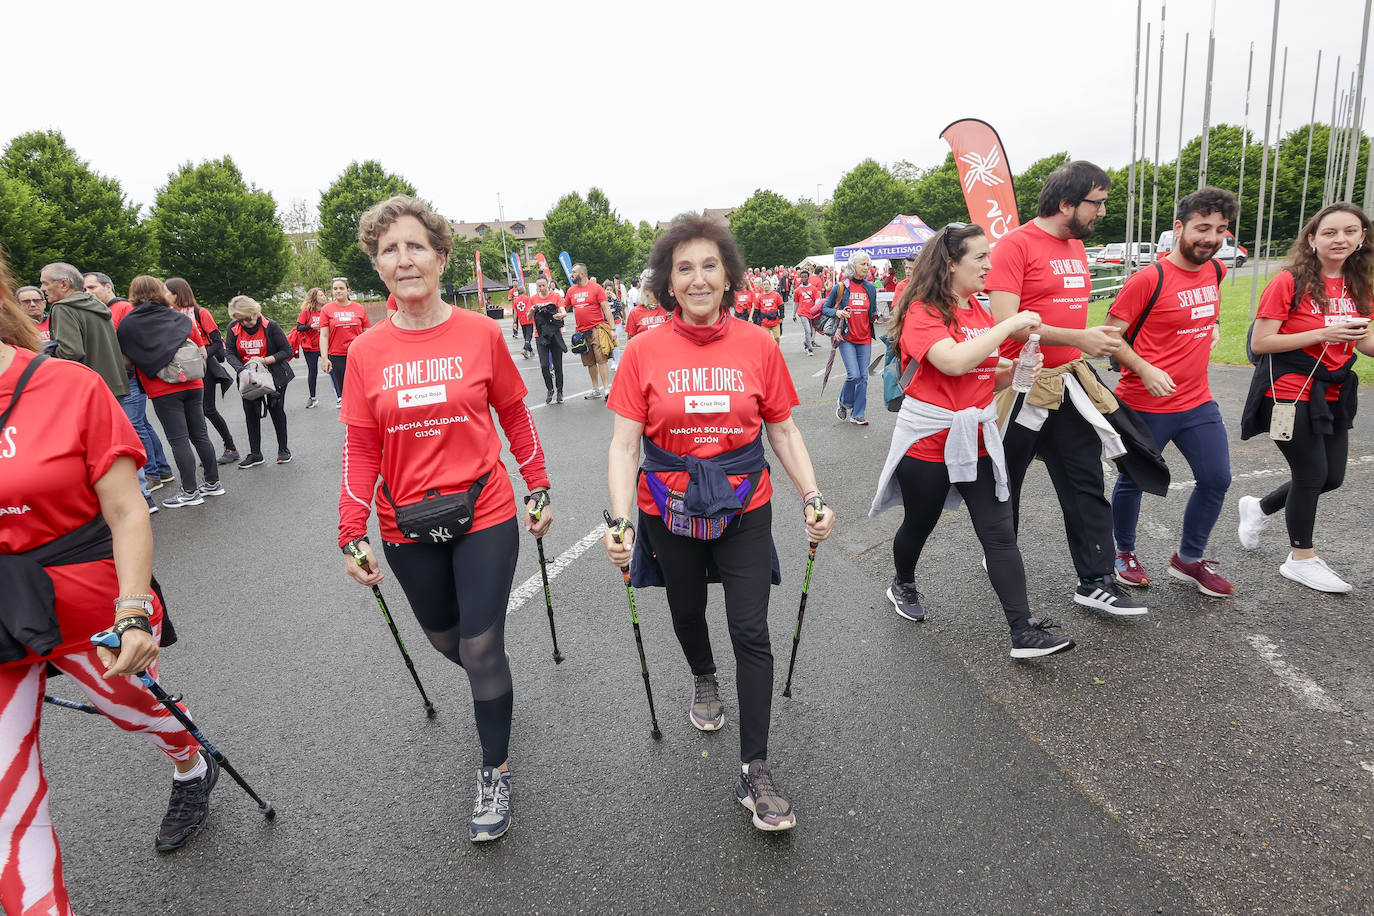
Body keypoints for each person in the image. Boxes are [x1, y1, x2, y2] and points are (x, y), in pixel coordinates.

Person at [0, 262, 219, 916]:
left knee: (135, 709)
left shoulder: (66, 386)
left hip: (82, 588)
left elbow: (127, 512)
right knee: (8, 795)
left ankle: (191, 762)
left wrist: (133, 612)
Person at [604, 214, 835, 833]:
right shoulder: (642, 350)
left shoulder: (758, 346)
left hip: (744, 506)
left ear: (729, 275)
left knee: (751, 629)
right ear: (667, 283)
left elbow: (782, 428)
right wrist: (619, 521)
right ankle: (704, 677)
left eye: (710, 265)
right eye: (685, 268)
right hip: (667, 507)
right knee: (685, 613)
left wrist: (812, 496)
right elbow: (626, 446)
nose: (699, 277)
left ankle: (754, 770)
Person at [338, 195, 552, 842]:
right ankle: (497, 688)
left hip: (483, 509)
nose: (403, 260)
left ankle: (495, 768)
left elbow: (514, 414)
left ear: (439, 255)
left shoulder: (481, 333)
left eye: (414, 246)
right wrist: (351, 530)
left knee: (482, 643)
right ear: (378, 266)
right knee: (445, 641)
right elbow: (361, 448)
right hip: (405, 522)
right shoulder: (366, 352)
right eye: (388, 250)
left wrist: (536, 485)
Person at [869, 223, 1071, 657]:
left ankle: (1023, 630)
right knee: (919, 525)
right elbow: (953, 362)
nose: (989, 265)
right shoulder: (923, 310)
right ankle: (902, 581)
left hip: (977, 440)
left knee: (999, 535)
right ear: (950, 263)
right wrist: (1012, 324)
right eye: (980, 257)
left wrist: (1011, 375)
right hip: (928, 445)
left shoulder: (978, 310)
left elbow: (981, 374)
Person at [987, 160, 1147, 617]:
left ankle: (1096, 580)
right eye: (1096, 203)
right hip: (1022, 388)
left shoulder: (1076, 245)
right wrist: (1079, 337)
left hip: (1070, 384)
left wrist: (1081, 343)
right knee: (1005, 483)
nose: (1101, 213)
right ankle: (999, 551)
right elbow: (1006, 325)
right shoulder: (1015, 246)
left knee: (1084, 482)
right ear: (1066, 203)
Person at [1107, 187, 1237, 597]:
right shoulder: (1149, 278)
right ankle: (1123, 553)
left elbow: (1202, 315)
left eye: (1220, 229)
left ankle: (1189, 559)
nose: (1211, 237)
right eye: (1202, 227)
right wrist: (1144, 368)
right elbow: (1110, 337)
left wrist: (1211, 329)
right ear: (1179, 228)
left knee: (1216, 478)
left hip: (1197, 400)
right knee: (1133, 480)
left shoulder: (1216, 271)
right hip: (1144, 403)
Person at [1237, 202, 1373, 593]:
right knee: (1310, 475)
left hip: (1332, 393)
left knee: (1331, 478)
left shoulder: (1360, 285)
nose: (1341, 239)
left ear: (1362, 237)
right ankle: (1301, 558)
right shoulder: (1289, 281)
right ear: (1312, 239)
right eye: (1330, 232)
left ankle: (1259, 508)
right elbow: (1262, 342)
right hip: (1287, 393)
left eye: (1350, 231)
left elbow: (1366, 343)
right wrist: (1322, 335)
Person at [116, 276, 224, 508]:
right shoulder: (179, 317)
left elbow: (126, 361)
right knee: (200, 434)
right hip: (194, 382)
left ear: (133, 293)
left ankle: (189, 491)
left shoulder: (128, 323)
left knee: (178, 439)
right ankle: (213, 483)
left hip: (162, 386)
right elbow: (202, 350)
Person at [166, 277, 240, 466]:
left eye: (167, 292)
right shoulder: (167, 315)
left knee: (207, 409)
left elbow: (217, 342)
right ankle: (205, 454)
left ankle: (230, 447)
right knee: (191, 414)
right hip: (178, 369)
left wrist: (201, 356)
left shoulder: (200, 313)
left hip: (203, 366)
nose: (163, 295)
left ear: (177, 293)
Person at [39, 261, 128, 396]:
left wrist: (45, 351)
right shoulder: (95, 304)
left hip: (90, 390)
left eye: (45, 283)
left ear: (64, 284)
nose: (42, 289)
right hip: (114, 385)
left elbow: (71, 352)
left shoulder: (63, 308)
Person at [225, 296, 294, 467]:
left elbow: (287, 350)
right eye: (240, 320)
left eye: (248, 318)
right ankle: (255, 454)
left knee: (276, 411)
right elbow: (230, 353)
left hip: (273, 375)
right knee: (251, 414)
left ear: (255, 312)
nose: (245, 323)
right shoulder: (233, 328)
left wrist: (264, 360)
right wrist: (241, 369)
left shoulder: (271, 326)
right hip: (248, 377)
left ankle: (283, 449)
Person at [822, 252, 878, 426]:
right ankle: (844, 402)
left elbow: (872, 311)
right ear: (853, 266)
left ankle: (858, 414)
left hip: (865, 338)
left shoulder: (870, 288)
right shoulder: (841, 287)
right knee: (854, 375)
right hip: (846, 337)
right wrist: (837, 312)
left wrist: (877, 315)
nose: (866, 267)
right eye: (863, 264)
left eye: (867, 265)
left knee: (864, 377)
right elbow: (825, 308)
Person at [320, 277, 371, 408]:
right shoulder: (327, 309)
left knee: (362, 390)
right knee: (345, 393)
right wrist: (324, 358)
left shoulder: (359, 308)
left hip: (358, 355)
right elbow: (324, 336)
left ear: (348, 290)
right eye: (335, 289)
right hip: (337, 356)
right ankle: (351, 422)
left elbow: (367, 334)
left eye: (341, 288)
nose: (338, 291)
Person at [566, 262, 615, 398]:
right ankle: (595, 389)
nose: (572, 274)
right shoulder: (571, 291)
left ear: (582, 274)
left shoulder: (596, 288)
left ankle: (606, 389)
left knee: (602, 359)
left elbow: (606, 309)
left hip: (597, 329)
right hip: (581, 332)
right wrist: (559, 313)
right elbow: (564, 308)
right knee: (590, 362)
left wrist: (612, 329)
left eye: (574, 272)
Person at [530, 275, 567, 404]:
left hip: (555, 334)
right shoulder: (533, 299)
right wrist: (531, 310)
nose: (541, 288)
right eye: (539, 286)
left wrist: (561, 314)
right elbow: (529, 317)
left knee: (558, 365)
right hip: (540, 336)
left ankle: (560, 391)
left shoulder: (555, 297)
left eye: (543, 285)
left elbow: (563, 310)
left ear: (548, 284)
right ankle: (550, 389)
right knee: (544, 365)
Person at [295, 287, 327, 407]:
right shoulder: (306, 311)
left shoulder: (326, 310)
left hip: (324, 345)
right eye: (321, 295)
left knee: (333, 370)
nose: (324, 297)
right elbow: (299, 327)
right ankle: (312, 397)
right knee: (313, 372)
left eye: (324, 295)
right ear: (314, 298)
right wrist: (311, 326)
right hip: (311, 347)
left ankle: (340, 396)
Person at [792, 268, 820, 355]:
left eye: (805, 277)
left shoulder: (813, 288)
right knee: (807, 330)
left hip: (812, 313)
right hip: (802, 313)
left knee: (811, 331)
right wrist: (793, 314)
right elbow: (796, 303)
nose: (803, 279)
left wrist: (816, 308)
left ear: (808, 278)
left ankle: (806, 343)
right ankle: (809, 349)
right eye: (802, 277)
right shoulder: (798, 290)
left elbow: (817, 299)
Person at [751, 276, 785, 343]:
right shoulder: (760, 297)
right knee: (767, 339)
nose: (765, 286)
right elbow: (756, 310)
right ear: (762, 286)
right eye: (764, 284)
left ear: (770, 285)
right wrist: (754, 320)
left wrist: (781, 317)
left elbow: (781, 306)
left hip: (775, 320)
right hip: (764, 321)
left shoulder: (776, 295)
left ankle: (776, 350)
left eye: (767, 284)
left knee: (777, 337)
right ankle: (769, 352)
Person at [510, 283, 535, 358]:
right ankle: (525, 349)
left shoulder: (515, 301)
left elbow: (515, 312)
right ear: (524, 291)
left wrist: (515, 322)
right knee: (529, 336)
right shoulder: (528, 298)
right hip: (529, 319)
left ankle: (530, 351)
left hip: (521, 320)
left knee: (526, 336)